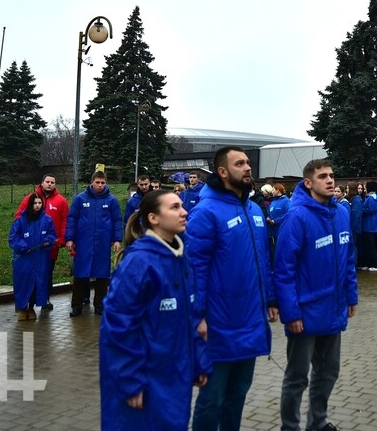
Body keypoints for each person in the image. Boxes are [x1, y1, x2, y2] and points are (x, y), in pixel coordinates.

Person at [100, 189, 210, 431]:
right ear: (153, 218)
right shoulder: (139, 263)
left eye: (182, 205)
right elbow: (118, 327)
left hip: (174, 378)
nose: (184, 212)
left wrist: (199, 361)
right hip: (145, 382)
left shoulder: (181, 260)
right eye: (174, 207)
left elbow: (190, 319)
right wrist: (130, 381)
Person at [185, 146, 278, 431]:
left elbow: (263, 258)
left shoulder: (254, 209)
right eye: (240, 163)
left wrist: (271, 299)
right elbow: (194, 269)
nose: (248, 167)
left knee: (237, 395)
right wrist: (197, 315)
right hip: (218, 323)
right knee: (211, 399)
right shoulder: (206, 212)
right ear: (222, 172)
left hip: (250, 318)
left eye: (248, 162)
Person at [274, 158, 358, 431]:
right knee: (297, 377)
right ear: (308, 183)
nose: (330, 180)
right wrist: (291, 312)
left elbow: (349, 258)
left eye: (332, 175)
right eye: (323, 176)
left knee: (328, 373)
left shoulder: (341, 214)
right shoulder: (296, 217)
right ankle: (290, 427)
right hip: (305, 313)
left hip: (333, 308)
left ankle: (318, 423)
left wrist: (351, 295)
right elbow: (284, 270)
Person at [65, 171, 122, 316]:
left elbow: (116, 221)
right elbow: (71, 219)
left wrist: (117, 239)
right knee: (80, 274)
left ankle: (100, 306)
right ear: (92, 182)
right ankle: (76, 306)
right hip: (83, 243)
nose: (100, 185)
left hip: (102, 244)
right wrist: (70, 239)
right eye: (97, 182)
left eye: (103, 183)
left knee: (102, 275)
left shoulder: (111, 200)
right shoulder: (80, 199)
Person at [12, 174, 70, 312]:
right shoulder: (30, 198)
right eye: (47, 181)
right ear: (42, 183)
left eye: (52, 182)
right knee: (27, 275)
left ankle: (45, 298)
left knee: (46, 273)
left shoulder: (61, 201)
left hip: (48, 247)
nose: (50, 184)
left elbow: (65, 221)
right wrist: (23, 244)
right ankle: (25, 304)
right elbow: (19, 218)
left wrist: (60, 239)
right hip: (29, 249)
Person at [9, 193, 57, 321]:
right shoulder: (21, 220)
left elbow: (52, 234)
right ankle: (22, 308)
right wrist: (23, 246)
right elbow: (14, 237)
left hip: (40, 258)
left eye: (39, 203)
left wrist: (48, 240)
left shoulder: (47, 219)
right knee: (23, 282)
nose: (37, 206)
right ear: (30, 204)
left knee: (38, 283)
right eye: (35, 203)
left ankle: (31, 307)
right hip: (24, 259)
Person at [359, 181, 377, 272]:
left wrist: (361, 208)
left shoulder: (372, 198)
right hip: (369, 226)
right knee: (368, 246)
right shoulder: (372, 197)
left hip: (371, 226)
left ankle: (375, 264)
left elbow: (370, 210)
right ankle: (369, 264)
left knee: (371, 246)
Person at [267, 183, 291, 259]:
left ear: (278, 190)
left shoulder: (286, 201)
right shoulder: (273, 202)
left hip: (281, 232)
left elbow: (288, 214)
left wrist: (275, 221)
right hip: (272, 234)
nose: (272, 192)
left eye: (273, 189)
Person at [349, 183, 364, 265]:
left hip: (354, 228)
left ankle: (354, 265)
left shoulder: (356, 200)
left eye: (348, 188)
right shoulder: (354, 199)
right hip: (354, 227)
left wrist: (352, 228)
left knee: (354, 246)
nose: (347, 190)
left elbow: (356, 215)